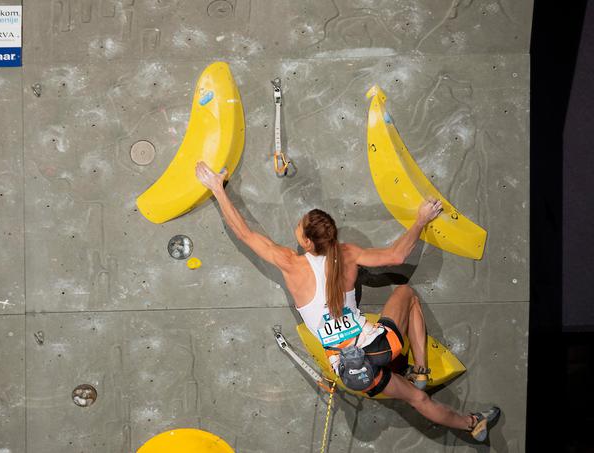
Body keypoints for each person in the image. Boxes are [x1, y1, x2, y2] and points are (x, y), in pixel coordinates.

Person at [195, 162, 500, 442]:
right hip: (381, 345)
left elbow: (246, 234)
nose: (298, 227)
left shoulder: (291, 264)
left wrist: (217, 189)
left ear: (306, 243)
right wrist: (421, 220)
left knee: (416, 400)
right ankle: (426, 376)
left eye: (300, 227)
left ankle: (468, 423)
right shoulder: (348, 253)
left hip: (355, 371)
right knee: (405, 295)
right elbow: (396, 256)